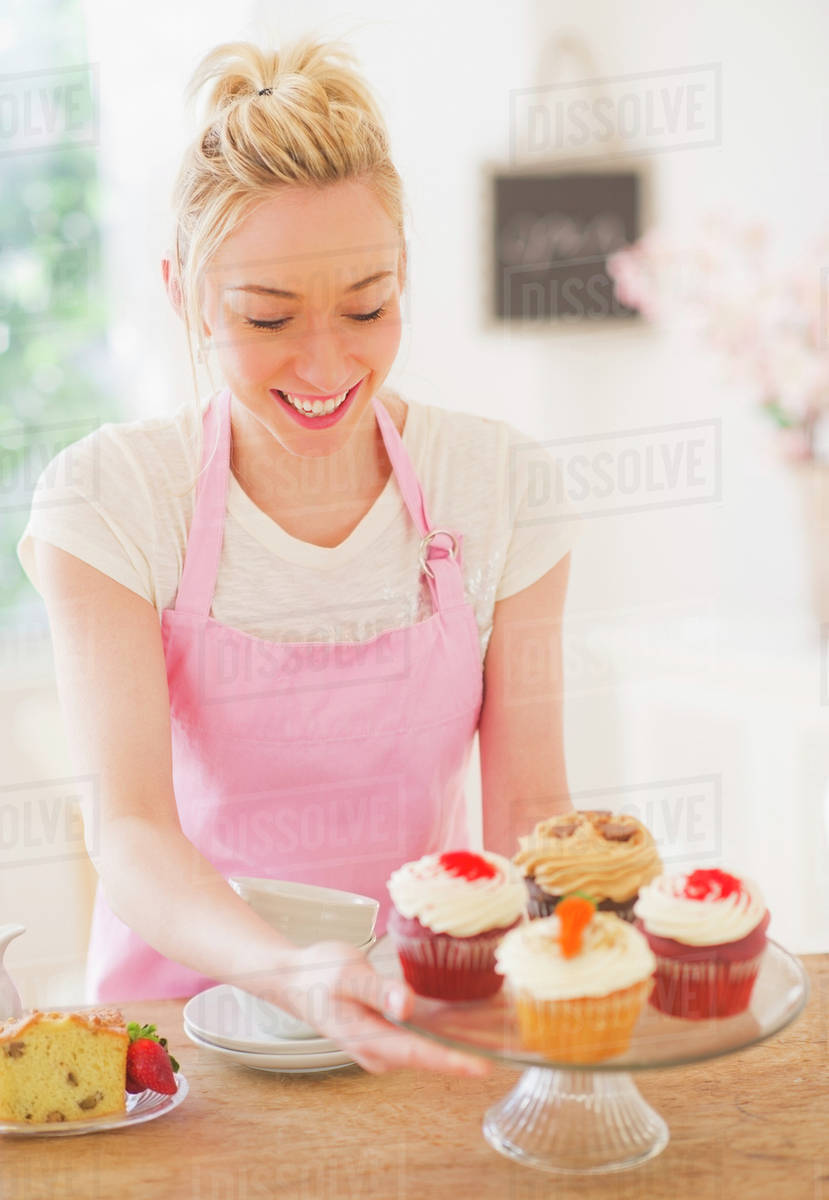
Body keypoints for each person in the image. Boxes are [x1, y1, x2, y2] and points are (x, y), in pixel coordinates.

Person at [16, 35, 575, 1075]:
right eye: (267, 317)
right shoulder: (111, 501)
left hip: (412, 1026)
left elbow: (530, 814)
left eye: (367, 307)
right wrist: (298, 974)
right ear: (184, 293)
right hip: (178, 1054)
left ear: (404, 274)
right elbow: (131, 832)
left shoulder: (500, 486)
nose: (326, 365)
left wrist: (581, 963)